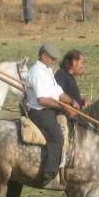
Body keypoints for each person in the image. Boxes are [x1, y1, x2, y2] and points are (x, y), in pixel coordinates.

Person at [26, 43, 80, 185]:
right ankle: (48, 174)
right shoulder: (36, 72)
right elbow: (42, 99)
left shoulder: (47, 71)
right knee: (57, 138)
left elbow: (58, 93)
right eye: (52, 58)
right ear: (43, 56)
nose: (54, 61)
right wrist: (64, 108)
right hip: (40, 112)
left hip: (50, 109)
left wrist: (72, 101)